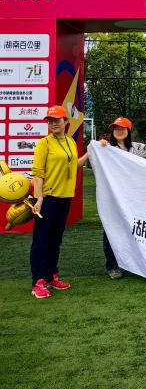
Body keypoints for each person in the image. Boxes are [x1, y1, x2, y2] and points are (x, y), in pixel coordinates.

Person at [30, 105, 89, 299]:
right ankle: (38, 281)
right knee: (41, 240)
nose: (53, 124)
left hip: (65, 198)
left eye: (57, 120)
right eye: (50, 121)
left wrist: (92, 151)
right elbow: (38, 174)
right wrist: (39, 198)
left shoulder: (70, 142)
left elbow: (75, 165)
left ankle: (51, 276)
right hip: (47, 198)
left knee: (55, 239)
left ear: (66, 122)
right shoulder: (44, 143)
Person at [98, 117, 146, 279]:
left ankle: (131, 262)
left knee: (133, 228)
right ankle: (112, 265)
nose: (119, 131)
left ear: (128, 131)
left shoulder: (136, 148)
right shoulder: (107, 147)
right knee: (110, 229)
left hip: (132, 197)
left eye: (122, 129)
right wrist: (100, 145)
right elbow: (93, 155)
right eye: (116, 129)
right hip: (112, 196)